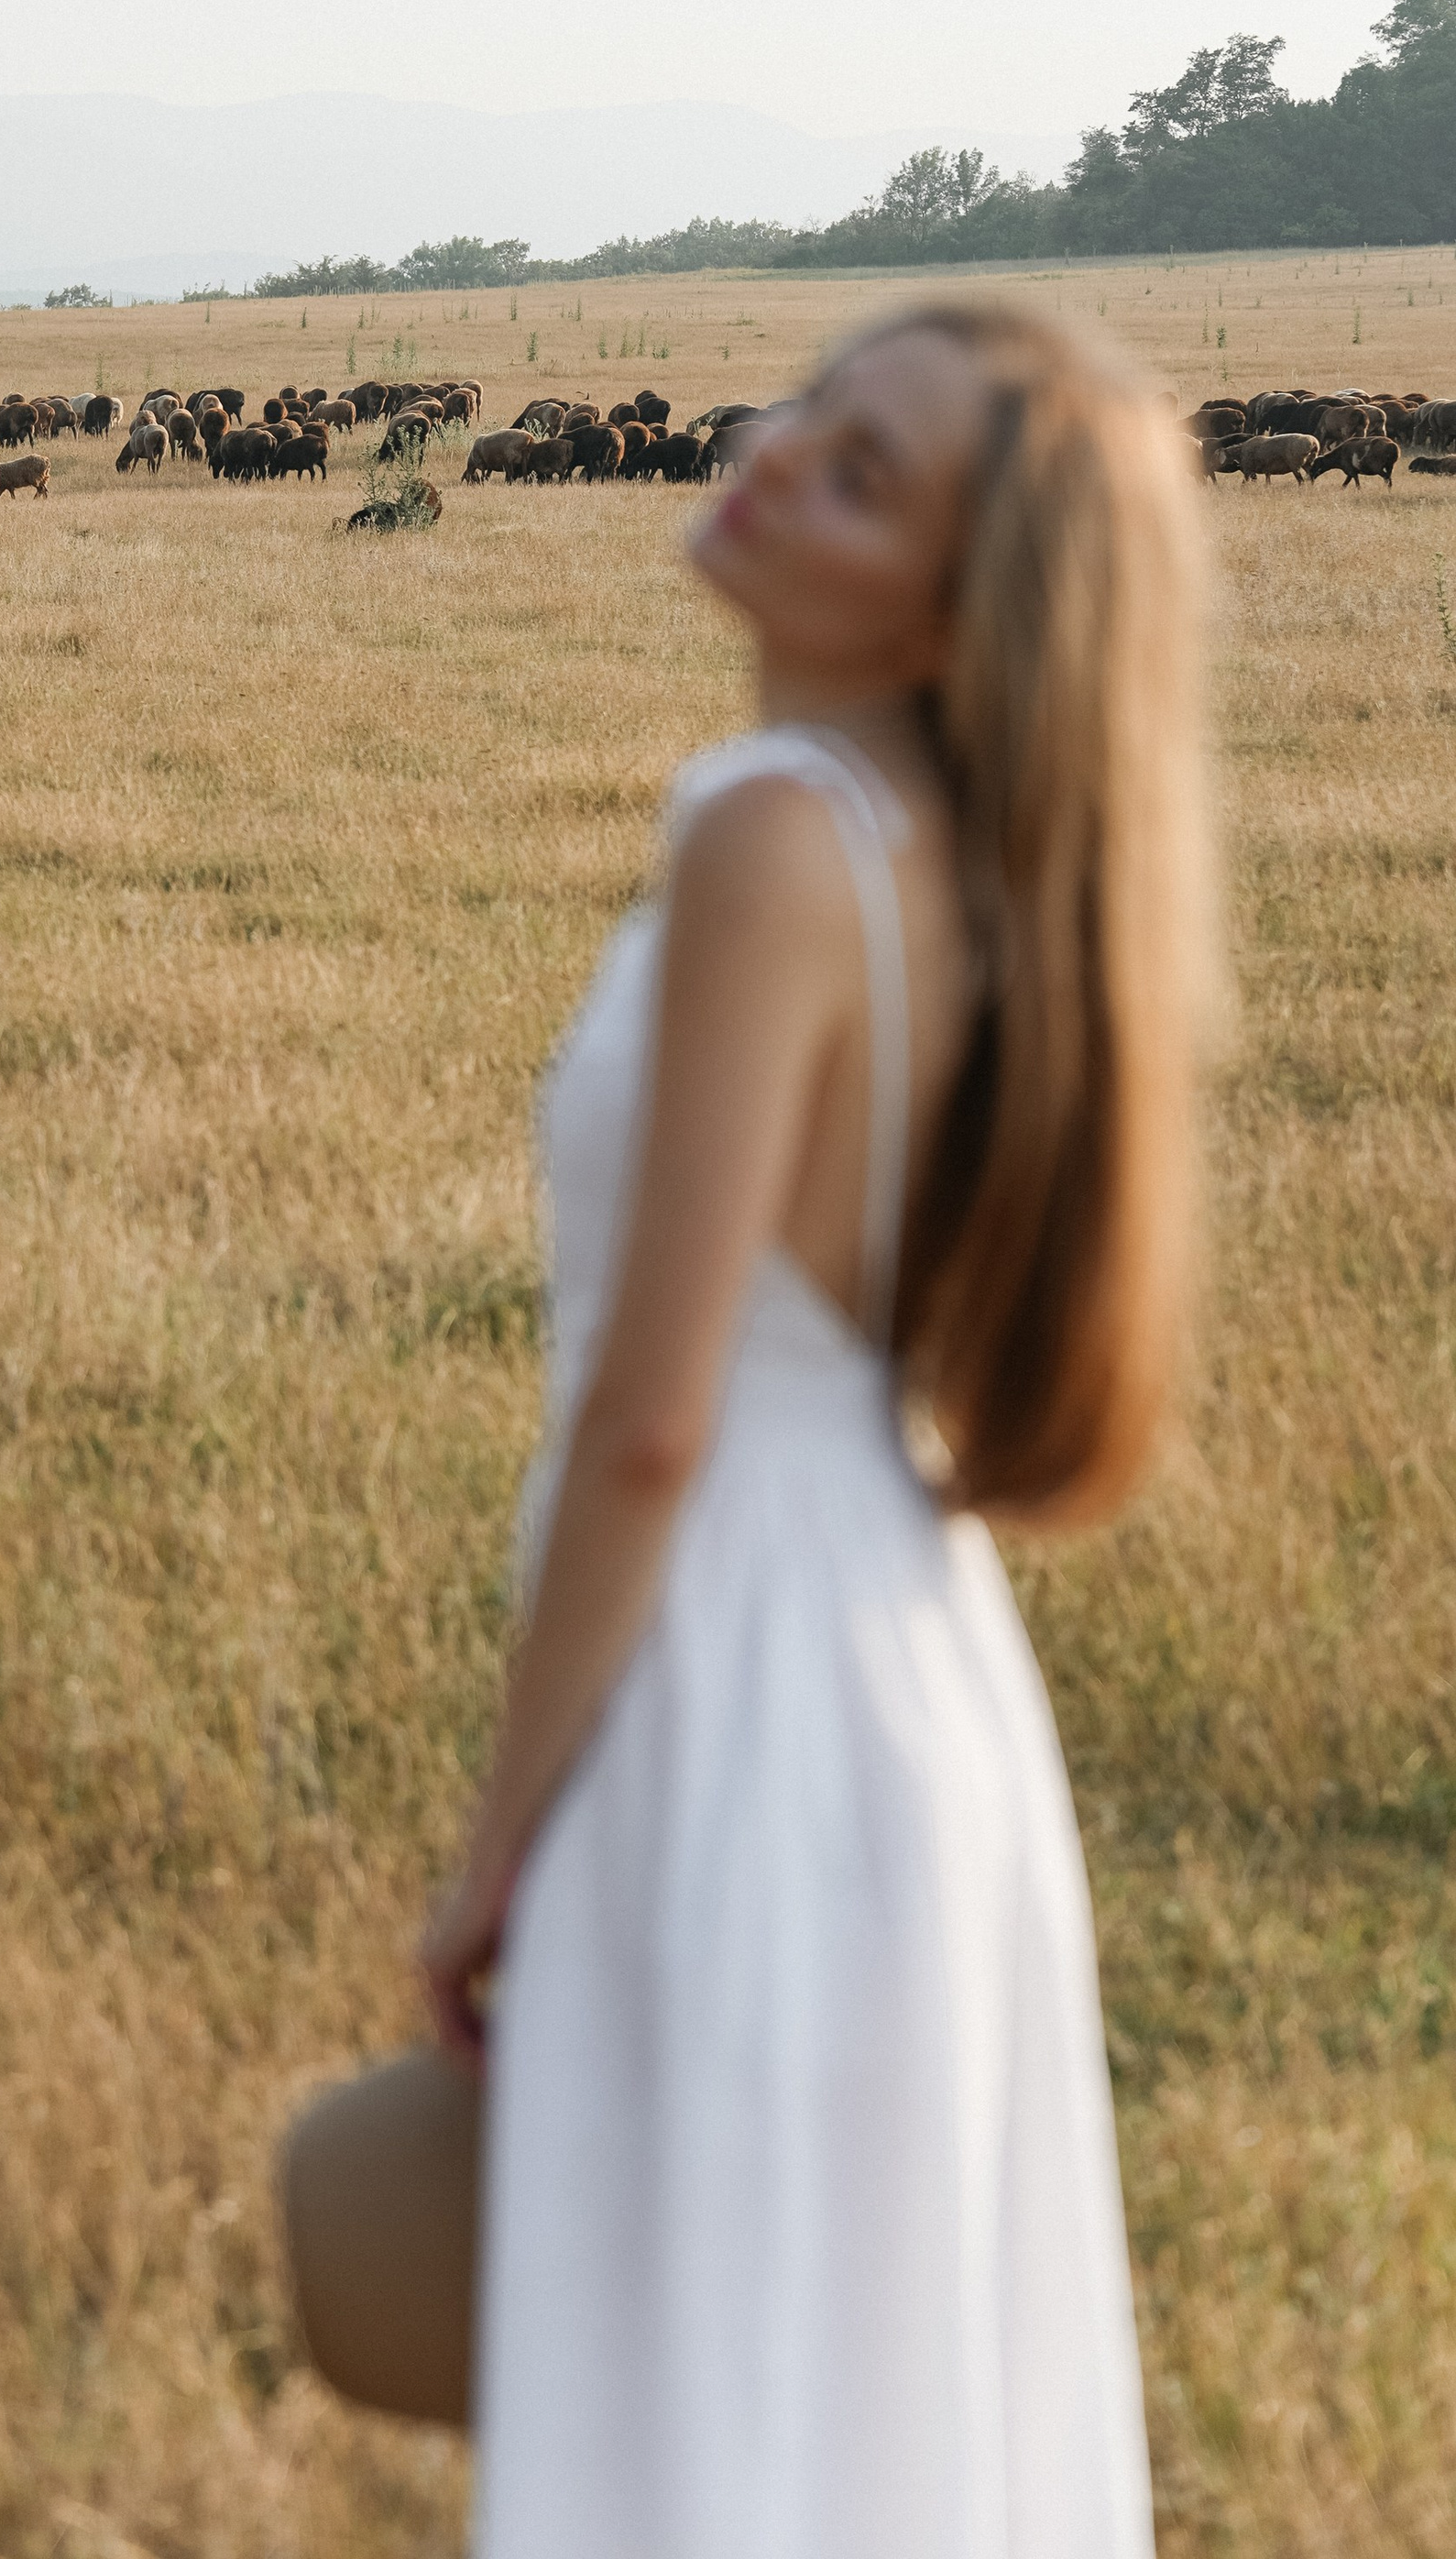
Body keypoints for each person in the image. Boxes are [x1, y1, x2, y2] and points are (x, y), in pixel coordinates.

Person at [420, 302, 1207, 2555]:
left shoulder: (775, 831)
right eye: (809, 414)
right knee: (872, 2421)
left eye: (863, 475)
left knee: (704, 2431)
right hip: (920, 1681)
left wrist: (498, 1846)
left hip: (734, 1680)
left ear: (958, 610)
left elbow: (651, 1421)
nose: (769, 460)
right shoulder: (978, 856)